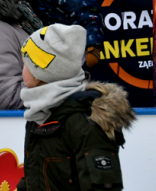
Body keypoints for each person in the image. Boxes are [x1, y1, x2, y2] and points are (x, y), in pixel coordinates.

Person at [18, 24, 133, 191]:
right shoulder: (39, 115)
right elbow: (34, 176)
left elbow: (101, 186)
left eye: (25, 64)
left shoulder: (85, 121)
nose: (22, 71)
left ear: (41, 71)